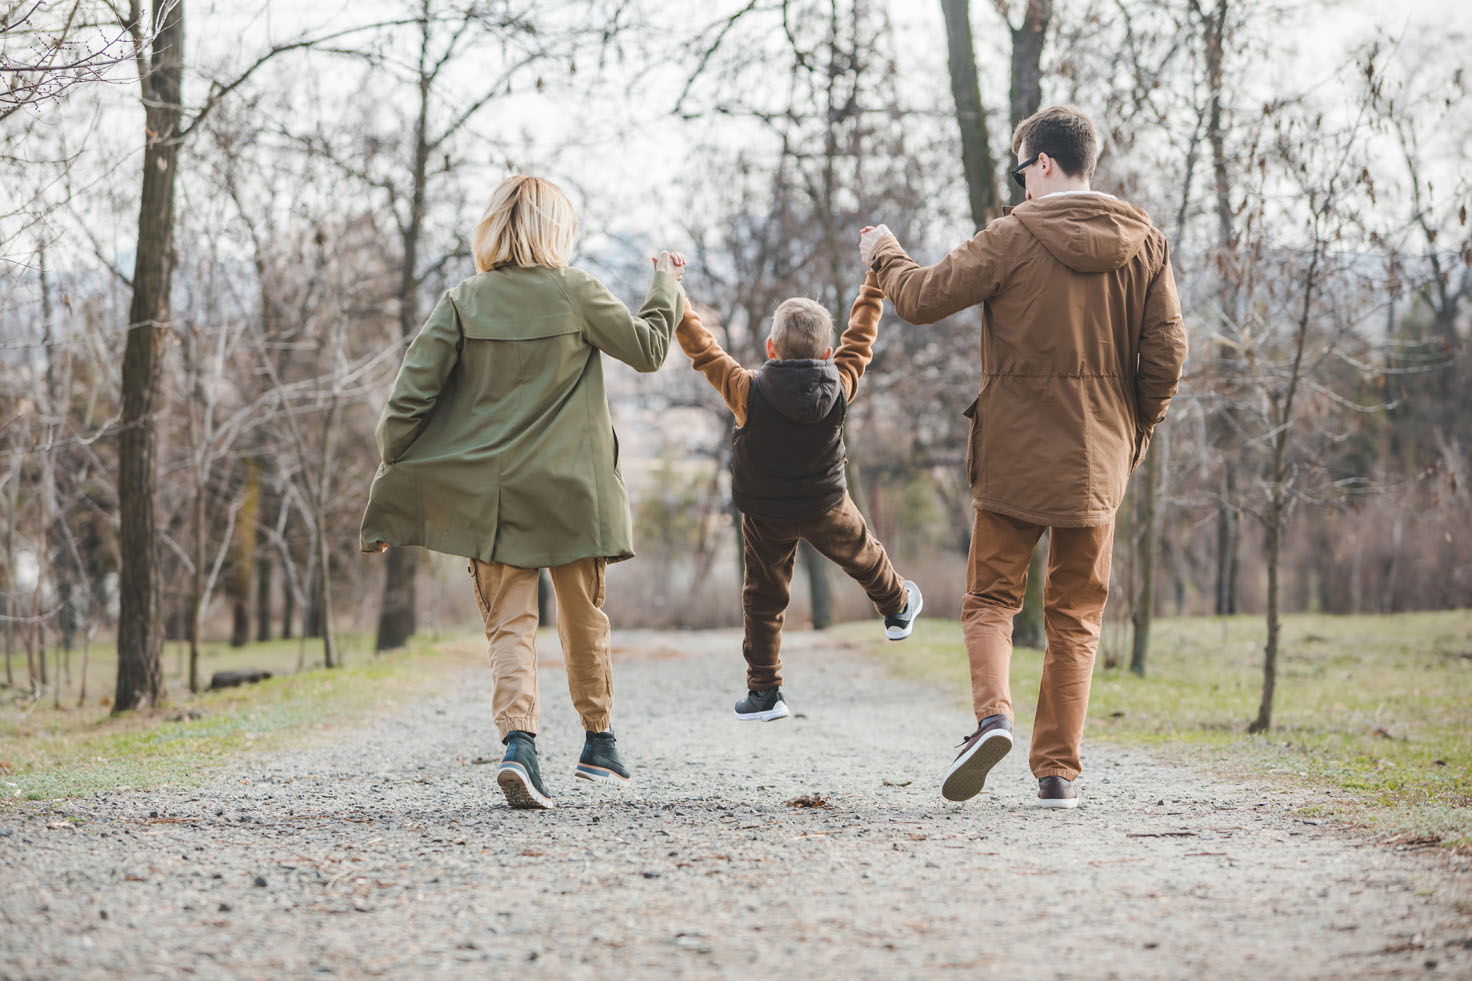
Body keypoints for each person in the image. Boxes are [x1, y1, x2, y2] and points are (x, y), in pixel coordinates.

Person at [858, 105, 1188, 809]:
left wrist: (884, 252)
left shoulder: (1012, 236)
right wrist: (1133, 434)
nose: (1020, 185)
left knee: (990, 599)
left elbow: (918, 297)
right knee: (1075, 613)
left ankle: (992, 719)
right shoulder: (1147, 243)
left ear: (1042, 163)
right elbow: (1167, 359)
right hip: (1100, 457)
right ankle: (1058, 770)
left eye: (1021, 170)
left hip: (1013, 455)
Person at [360, 175, 687, 810]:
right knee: (583, 616)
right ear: (555, 229)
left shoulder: (463, 301)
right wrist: (665, 283)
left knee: (509, 625)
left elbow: (404, 408)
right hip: (572, 492)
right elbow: (648, 350)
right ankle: (598, 738)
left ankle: (520, 746)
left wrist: (399, 468)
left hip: (494, 497)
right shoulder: (577, 291)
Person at [674, 271, 923, 723]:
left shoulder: (747, 389)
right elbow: (861, 337)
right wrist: (873, 284)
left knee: (764, 599)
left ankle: (766, 692)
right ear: (827, 354)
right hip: (826, 504)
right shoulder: (841, 382)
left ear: (771, 349)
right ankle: (897, 608)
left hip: (766, 513)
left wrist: (675, 299)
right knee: (865, 555)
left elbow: (704, 351)